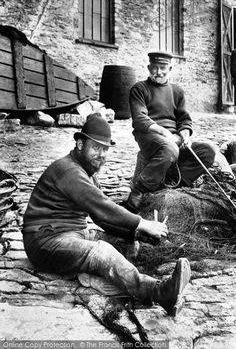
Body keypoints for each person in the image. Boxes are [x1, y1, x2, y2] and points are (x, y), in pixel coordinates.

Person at [22, 113, 191, 316]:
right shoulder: (68, 171)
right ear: (80, 144)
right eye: (96, 147)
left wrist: (134, 234)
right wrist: (143, 223)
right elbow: (103, 206)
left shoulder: (87, 173)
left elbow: (100, 218)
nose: (101, 154)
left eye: (105, 149)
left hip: (72, 234)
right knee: (102, 252)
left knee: (127, 241)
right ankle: (159, 292)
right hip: (44, 242)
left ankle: (105, 274)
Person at [126, 51, 216, 211]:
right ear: (148, 67)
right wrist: (166, 134)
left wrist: (185, 136)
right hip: (149, 135)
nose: (159, 72)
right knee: (170, 149)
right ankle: (140, 189)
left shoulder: (177, 91)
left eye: (163, 68)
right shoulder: (139, 88)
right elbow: (140, 119)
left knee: (207, 151)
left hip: (175, 139)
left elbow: (184, 119)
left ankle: (174, 185)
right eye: (155, 68)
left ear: (170, 69)